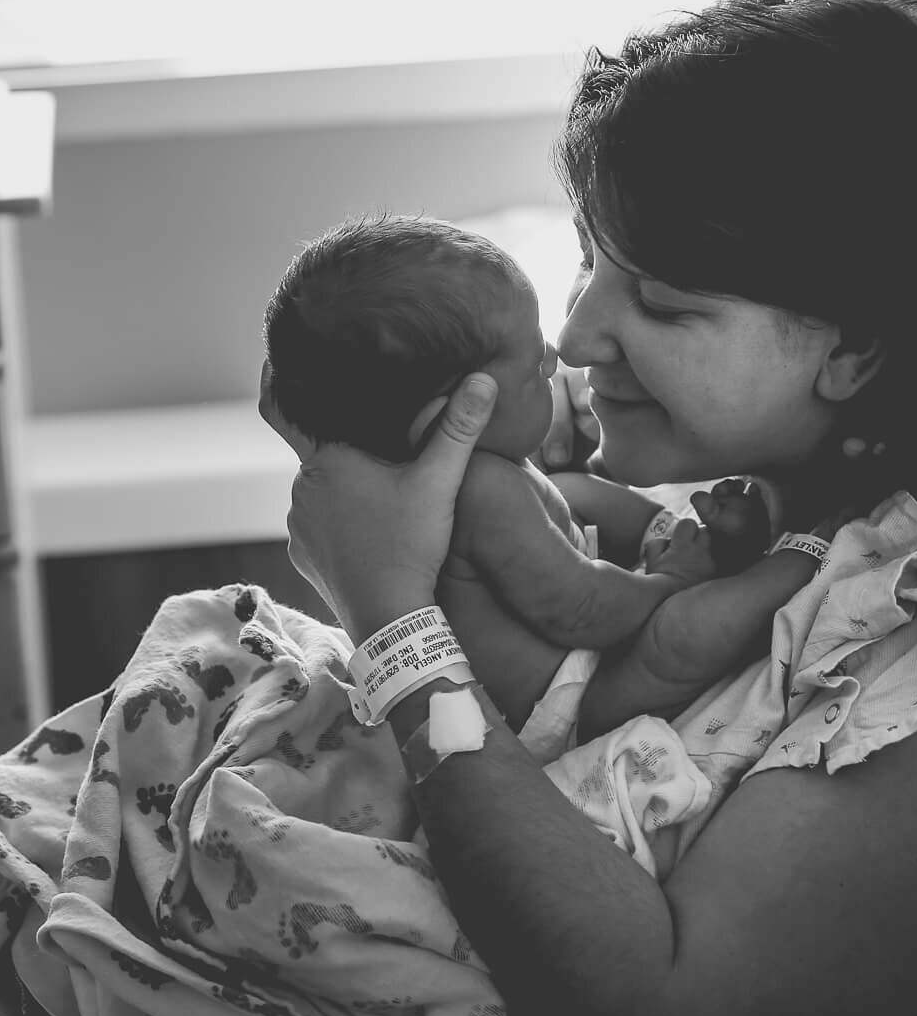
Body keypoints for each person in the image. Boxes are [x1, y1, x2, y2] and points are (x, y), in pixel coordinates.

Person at [261, 0, 917, 1016]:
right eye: (587, 260)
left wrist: (394, 626)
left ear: (855, 347)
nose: (578, 335)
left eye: (665, 306)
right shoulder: (776, 505)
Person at [262, 213, 825, 742]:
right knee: (681, 637)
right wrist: (671, 579)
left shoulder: (478, 476)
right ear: (460, 410)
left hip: (570, 664)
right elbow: (578, 606)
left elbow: (574, 500)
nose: (559, 356)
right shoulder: (483, 490)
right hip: (565, 704)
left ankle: (702, 543)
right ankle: (803, 560)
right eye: (534, 366)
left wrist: (661, 528)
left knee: (576, 491)